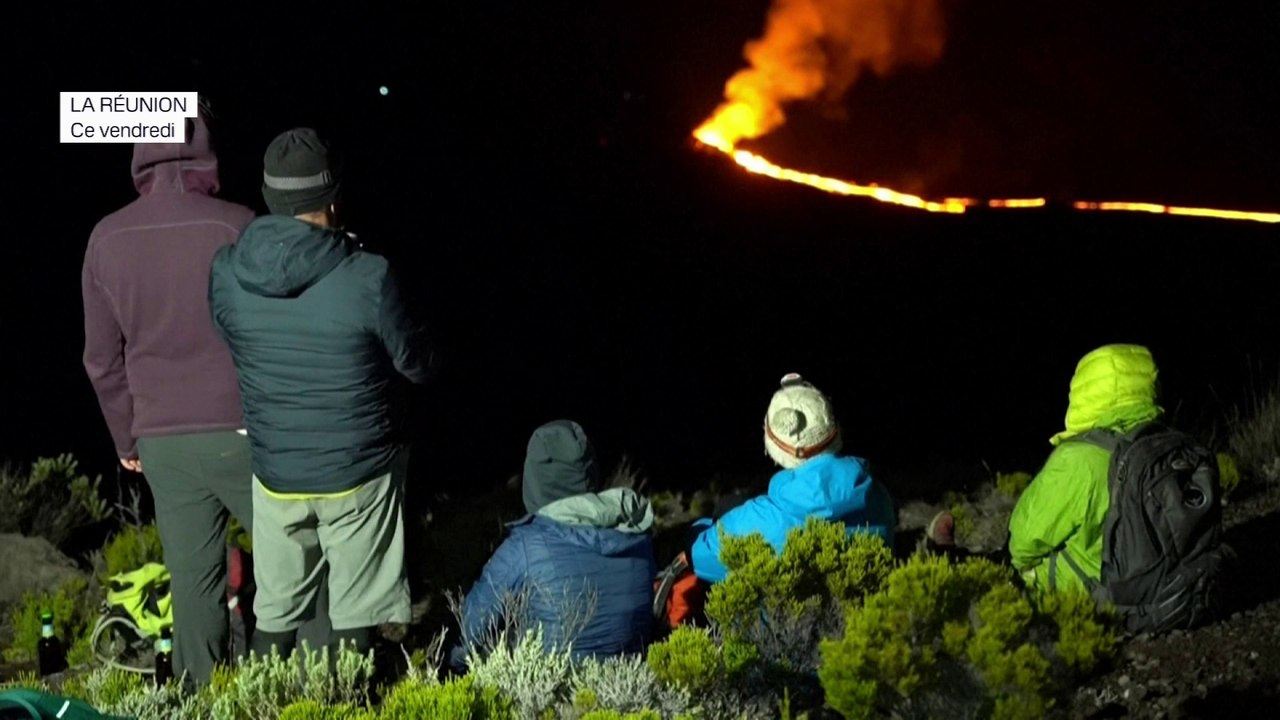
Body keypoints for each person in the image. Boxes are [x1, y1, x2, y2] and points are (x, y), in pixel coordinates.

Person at [81, 99, 287, 690]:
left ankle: (204, 697)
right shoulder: (238, 224)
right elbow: (275, 333)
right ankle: (302, 687)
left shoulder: (106, 238)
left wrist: (127, 439)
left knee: (194, 585)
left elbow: (101, 360)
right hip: (245, 431)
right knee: (292, 566)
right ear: (206, 146)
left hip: (162, 441)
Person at [208, 127, 433, 665]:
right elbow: (416, 365)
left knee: (275, 612)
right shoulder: (369, 275)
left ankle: (263, 698)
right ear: (333, 197)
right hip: (358, 474)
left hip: (276, 474)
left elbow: (229, 336)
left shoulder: (226, 272)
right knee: (357, 609)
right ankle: (348, 696)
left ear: (269, 195)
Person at [452, 420, 656, 668]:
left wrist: (448, 669)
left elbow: (470, 632)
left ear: (536, 480)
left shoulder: (525, 547)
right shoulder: (636, 535)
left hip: (552, 686)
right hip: (632, 682)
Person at [688, 373, 896, 584]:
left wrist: (708, 524)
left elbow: (697, 555)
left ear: (773, 444)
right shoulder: (878, 496)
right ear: (835, 431)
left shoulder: (760, 520)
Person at [1006, 343, 1163, 595]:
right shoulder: (1167, 446)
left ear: (1085, 392)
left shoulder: (1078, 458)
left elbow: (1024, 542)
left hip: (1099, 597)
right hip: (1172, 592)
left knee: (1011, 572)